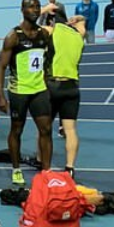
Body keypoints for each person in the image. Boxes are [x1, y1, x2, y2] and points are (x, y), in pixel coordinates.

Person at [0, 0, 53, 186]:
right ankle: (16, 169)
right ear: (22, 10)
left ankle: (46, 171)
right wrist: (1, 96)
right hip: (19, 91)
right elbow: (1, 66)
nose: (35, 10)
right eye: (31, 7)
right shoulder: (13, 36)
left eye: (37, 7)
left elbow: (48, 59)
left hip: (39, 90)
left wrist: (47, 78)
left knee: (46, 129)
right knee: (17, 130)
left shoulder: (44, 34)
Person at [41, 12, 87, 175]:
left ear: (52, 22)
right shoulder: (78, 35)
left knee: (44, 128)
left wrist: (44, 9)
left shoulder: (52, 31)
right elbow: (82, 22)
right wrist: (76, 20)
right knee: (70, 130)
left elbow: (27, 26)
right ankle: (70, 167)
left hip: (53, 85)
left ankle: (41, 161)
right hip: (72, 87)